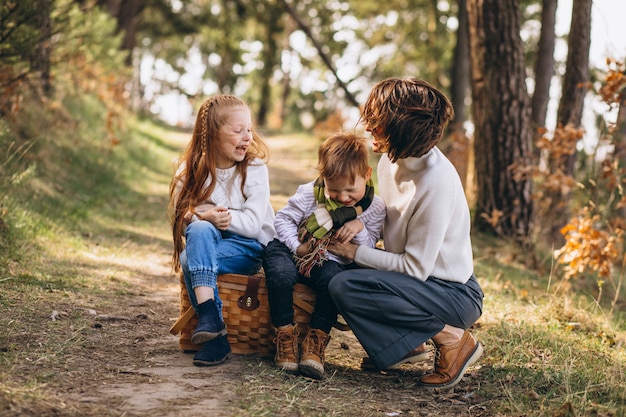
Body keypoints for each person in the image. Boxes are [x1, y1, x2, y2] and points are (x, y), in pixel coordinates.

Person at [328, 78, 484, 389]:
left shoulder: (436, 181)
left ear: (401, 127)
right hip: (421, 282)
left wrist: (355, 253)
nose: (369, 126)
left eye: (377, 120)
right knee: (335, 269)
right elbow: (384, 211)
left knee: (346, 286)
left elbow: (415, 267)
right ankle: (409, 344)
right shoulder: (390, 159)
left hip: (452, 293)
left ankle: (453, 339)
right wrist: (356, 224)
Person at [262, 132, 386, 379]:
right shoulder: (309, 193)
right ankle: (285, 335)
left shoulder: (375, 208)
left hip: (327, 261)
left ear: (367, 175)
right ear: (323, 179)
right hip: (292, 249)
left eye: (351, 190)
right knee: (280, 273)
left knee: (334, 281)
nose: (342, 197)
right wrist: (298, 246)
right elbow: (283, 220)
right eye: (334, 190)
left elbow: (368, 250)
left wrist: (359, 228)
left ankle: (315, 343)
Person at [168, 94, 275, 367]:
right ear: (213, 134)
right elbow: (182, 221)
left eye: (249, 129)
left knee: (190, 258)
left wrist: (218, 218)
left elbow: (252, 225)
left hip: (247, 247)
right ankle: (214, 326)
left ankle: (211, 329)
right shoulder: (190, 169)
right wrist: (202, 217)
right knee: (200, 228)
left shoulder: (254, 168)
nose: (248, 136)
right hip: (207, 240)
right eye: (238, 130)